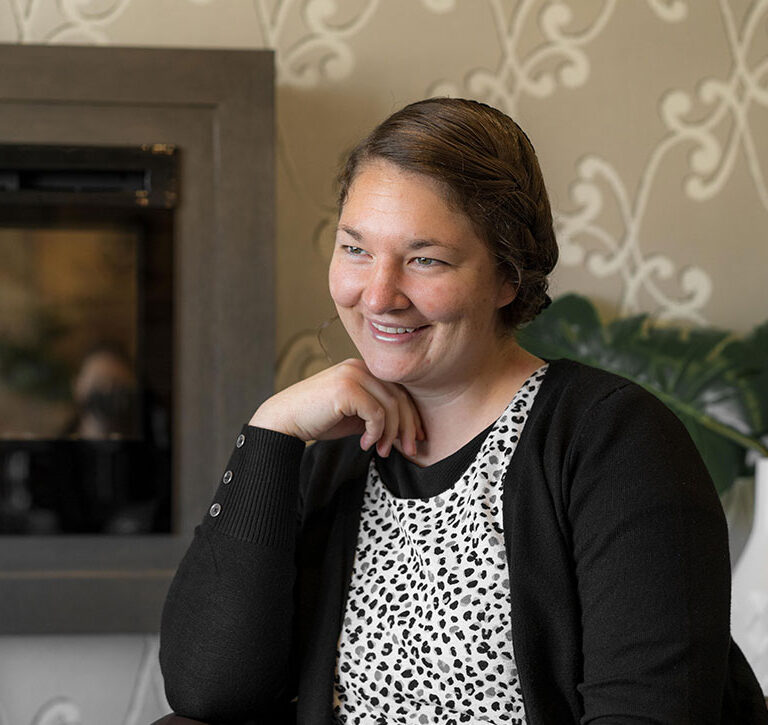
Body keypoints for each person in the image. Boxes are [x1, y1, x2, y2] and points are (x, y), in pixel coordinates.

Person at [159, 98, 768, 724]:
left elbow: (649, 713)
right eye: (355, 249)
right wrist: (273, 432)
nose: (378, 295)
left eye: (426, 259)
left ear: (508, 276)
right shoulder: (343, 450)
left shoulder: (613, 440)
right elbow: (209, 693)